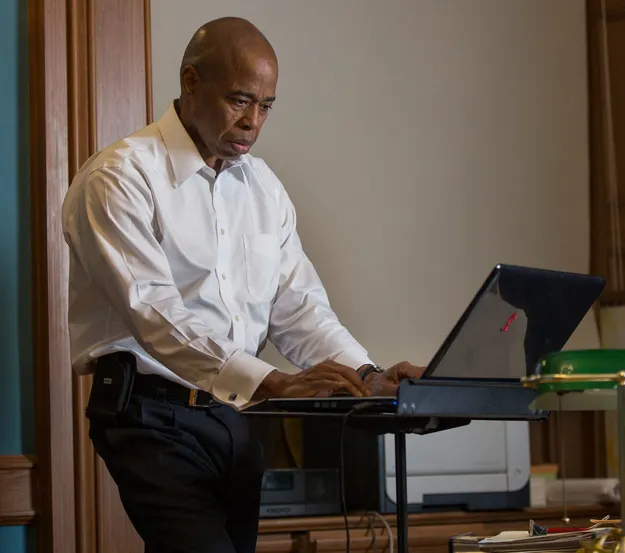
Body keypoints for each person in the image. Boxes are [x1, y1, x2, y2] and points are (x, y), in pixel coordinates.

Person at [62, 16, 423, 553]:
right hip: (152, 416)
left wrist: (366, 377)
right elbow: (154, 314)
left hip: (240, 419)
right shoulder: (118, 178)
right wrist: (272, 382)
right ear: (190, 82)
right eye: (239, 101)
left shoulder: (264, 188)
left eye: (266, 106)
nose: (253, 122)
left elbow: (300, 309)